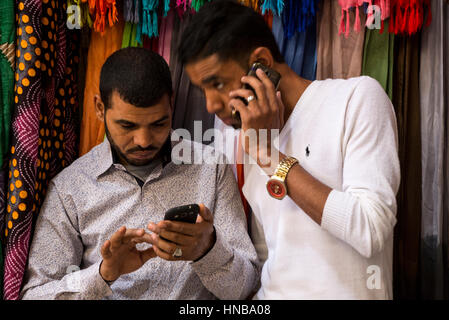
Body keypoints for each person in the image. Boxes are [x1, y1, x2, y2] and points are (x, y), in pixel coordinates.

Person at [179, 0, 401, 299]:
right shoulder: (238, 137)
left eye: (217, 83)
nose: (210, 105)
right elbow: (267, 251)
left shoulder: (356, 99)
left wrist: (270, 158)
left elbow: (370, 231)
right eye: (201, 90)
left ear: (263, 64)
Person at [20, 47, 260, 300]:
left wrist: (208, 251)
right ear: (100, 108)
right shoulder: (70, 188)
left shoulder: (211, 168)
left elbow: (243, 290)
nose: (144, 141)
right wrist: (104, 274)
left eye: (158, 124)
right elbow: (34, 295)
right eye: (127, 125)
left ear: (172, 103)